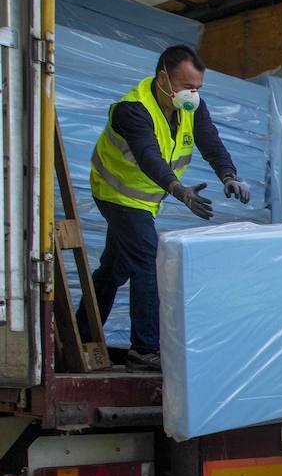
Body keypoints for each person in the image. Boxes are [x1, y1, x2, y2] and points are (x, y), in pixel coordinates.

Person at [79, 44, 250, 372]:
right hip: (116, 193)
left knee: (114, 269)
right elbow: (148, 155)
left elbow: (211, 143)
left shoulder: (191, 107)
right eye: (187, 86)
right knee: (147, 259)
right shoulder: (131, 110)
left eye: (198, 87)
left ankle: (81, 330)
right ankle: (144, 349)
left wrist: (229, 176)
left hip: (146, 200)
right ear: (163, 79)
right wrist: (179, 190)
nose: (193, 94)